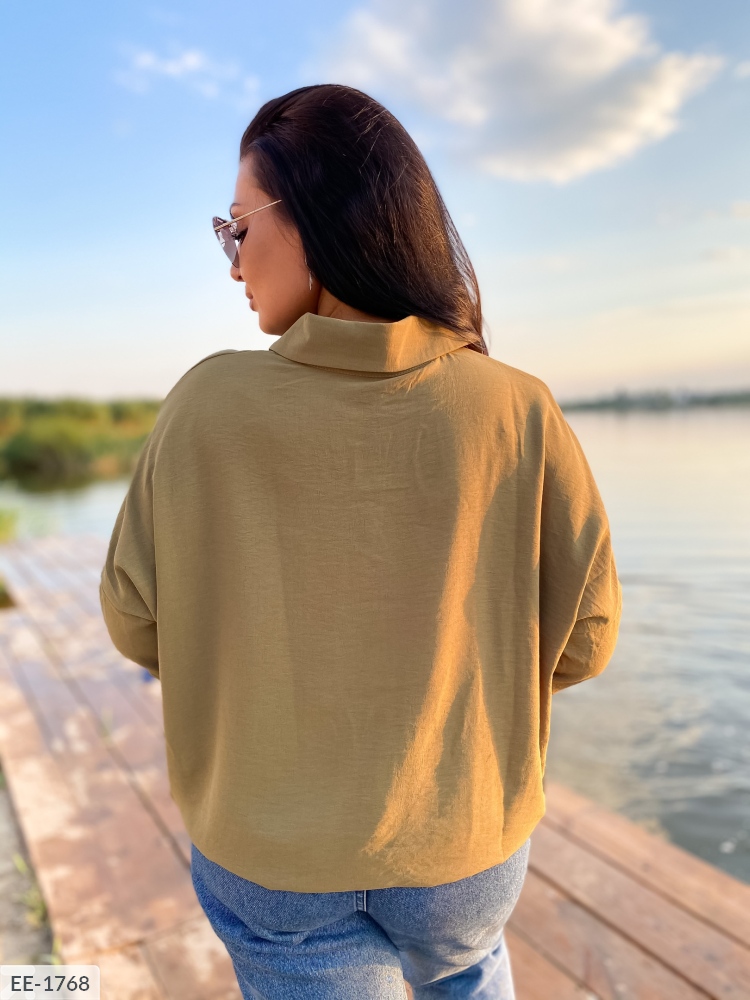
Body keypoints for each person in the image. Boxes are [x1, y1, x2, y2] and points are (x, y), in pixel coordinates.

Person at [99, 84, 621, 999]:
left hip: (273, 853)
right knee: (469, 967)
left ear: (312, 220)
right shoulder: (518, 408)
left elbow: (135, 622)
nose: (233, 263)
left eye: (237, 229)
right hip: (466, 848)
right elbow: (585, 638)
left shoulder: (204, 408)